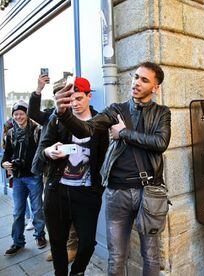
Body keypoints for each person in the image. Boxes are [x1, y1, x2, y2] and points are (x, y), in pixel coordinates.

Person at [54, 62, 171, 275]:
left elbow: (160, 142)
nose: (136, 82)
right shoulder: (116, 110)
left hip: (149, 193)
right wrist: (63, 114)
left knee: (151, 256)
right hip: (117, 193)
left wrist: (124, 133)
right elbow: (86, 129)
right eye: (136, 77)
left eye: (144, 80)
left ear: (155, 87)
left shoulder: (162, 112)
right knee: (116, 257)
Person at [36, 77, 109, 275]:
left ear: (89, 96)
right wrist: (48, 152)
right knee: (58, 242)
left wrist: (97, 190)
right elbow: (43, 148)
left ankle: (77, 271)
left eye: (78, 98)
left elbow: (102, 158)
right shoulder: (58, 119)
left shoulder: (99, 123)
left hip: (86, 193)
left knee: (86, 243)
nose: (75, 103)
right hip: (57, 190)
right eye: (71, 100)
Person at [28, 73, 79, 262]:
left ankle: (72, 246)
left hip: (72, 170)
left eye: (65, 93)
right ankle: (57, 246)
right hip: (51, 171)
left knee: (70, 210)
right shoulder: (51, 114)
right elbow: (33, 114)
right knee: (52, 211)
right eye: (58, 94)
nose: (63, 97)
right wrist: (38, 90)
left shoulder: (77, 112)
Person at [1, 100, 47, 256]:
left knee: (37, 209)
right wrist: (4, 164)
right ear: (12, 116)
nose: (18, 116)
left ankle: (40, 236)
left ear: (27, 114)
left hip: (34, 176)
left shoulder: (37, 130)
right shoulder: (10, 133)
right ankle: (18, 242)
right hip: (18, 177)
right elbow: (6, 156)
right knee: (17, 211)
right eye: (15, 114)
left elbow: (42, 153)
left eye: (21, 113)